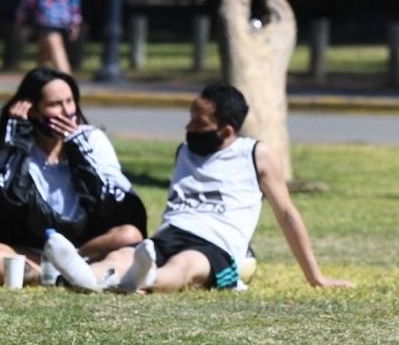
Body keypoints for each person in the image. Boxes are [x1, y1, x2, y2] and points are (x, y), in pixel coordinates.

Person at [42, 83, 353, 293]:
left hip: (216, 245)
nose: (188, 128)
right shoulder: (185, 152)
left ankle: (145, 279)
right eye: (190, 118)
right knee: (123, 255)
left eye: (198, 123)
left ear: (226, 130)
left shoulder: (255, 154)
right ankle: (87, 276)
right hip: (170, 234)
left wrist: (316, 277)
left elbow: (286, 214)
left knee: (186, 266)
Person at [0, 67, 146, 285]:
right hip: (35, 252)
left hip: (85, 248)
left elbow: (114, 201)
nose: (67, 111)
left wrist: (77, 149)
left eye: (70, 101)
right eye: (55, 104)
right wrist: (17, 146)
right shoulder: (16, 145)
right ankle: (53, 276)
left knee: (129, 236)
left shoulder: (92, 140)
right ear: (33, 111)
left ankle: (73, 268)